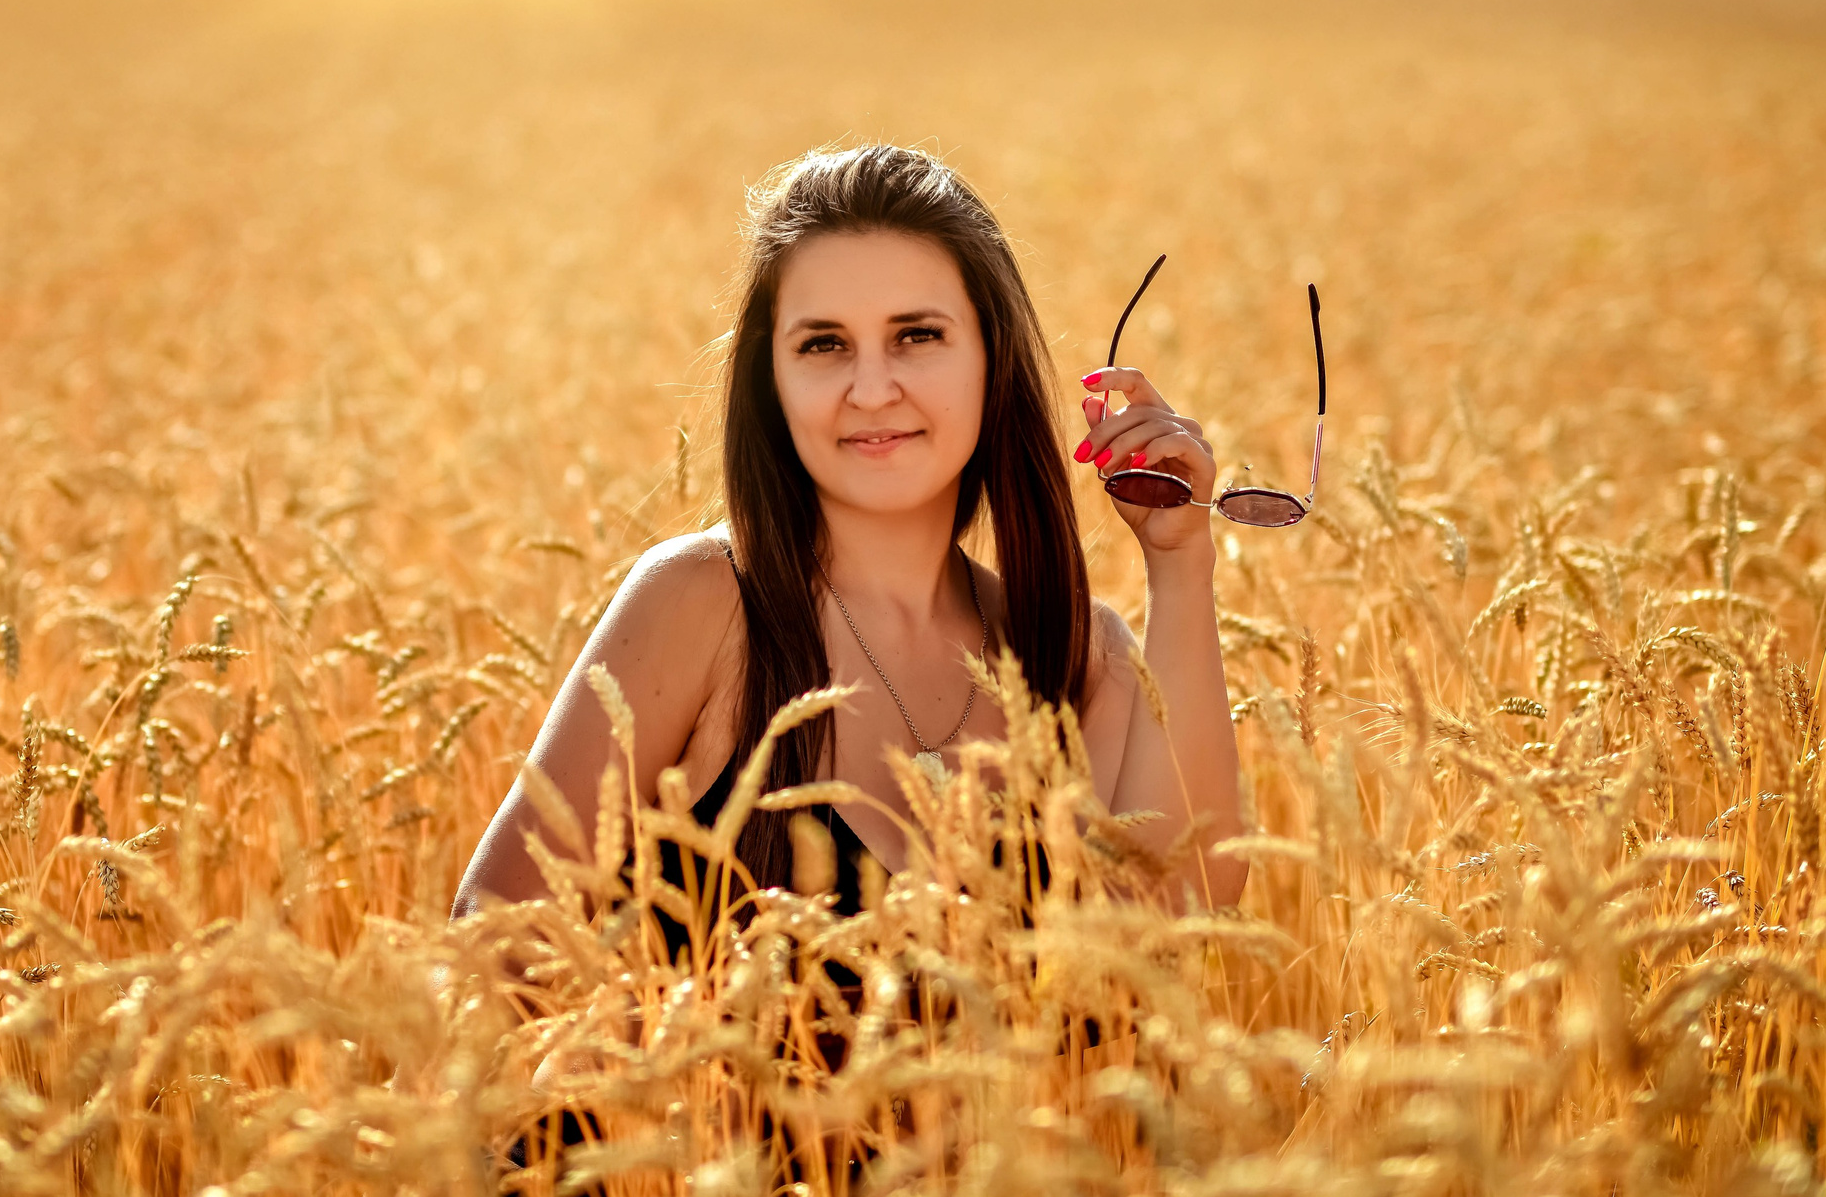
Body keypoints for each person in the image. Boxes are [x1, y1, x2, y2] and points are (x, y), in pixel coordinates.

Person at [453, 143, 1246, 923]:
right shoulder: (702, 605)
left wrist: (1179, 565)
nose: (871, 389)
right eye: (824, 344)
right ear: (775, 378)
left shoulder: (1076, 658)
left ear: (991, 358)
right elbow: (493, 947)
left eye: (917, 335)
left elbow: (1178, 916)